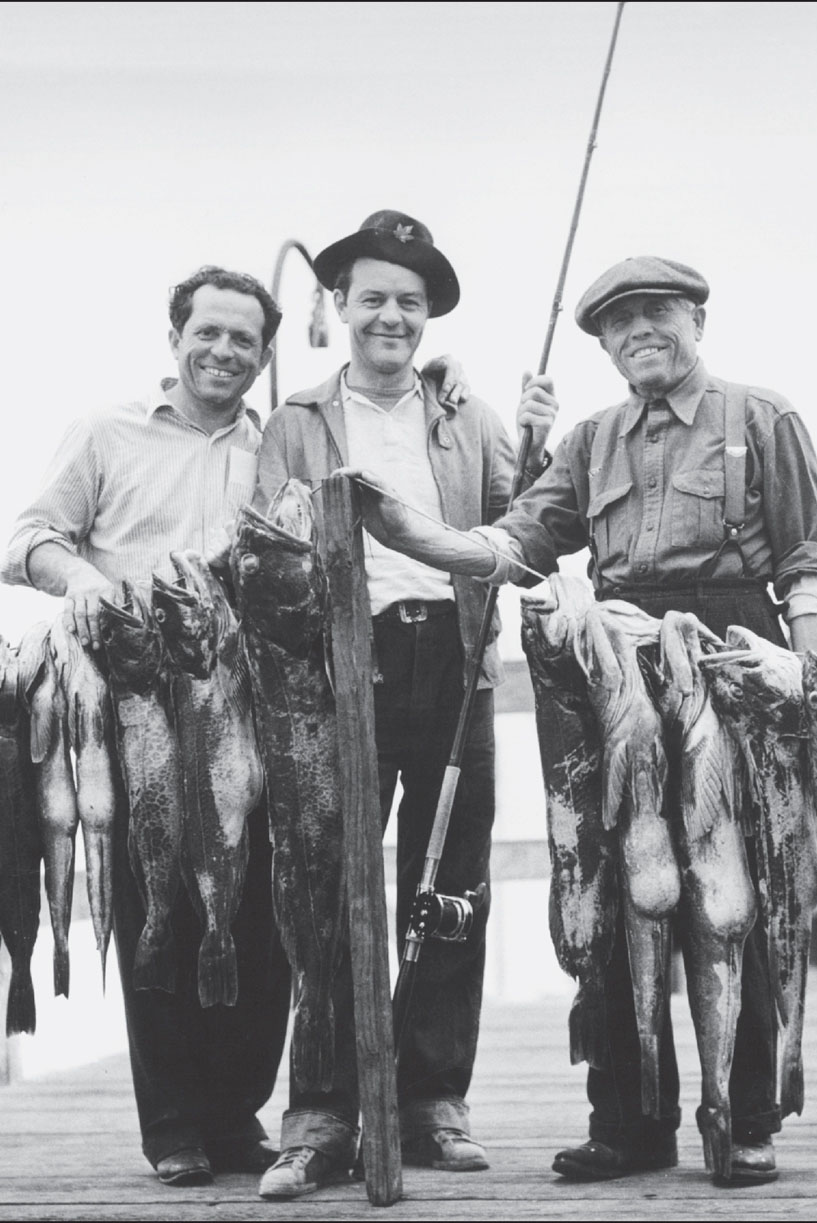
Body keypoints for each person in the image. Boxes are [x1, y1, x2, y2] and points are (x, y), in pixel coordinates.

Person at [346, 255, 817, 1187]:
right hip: (615, 665)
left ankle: (743, 1117)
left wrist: (811, 680)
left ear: (698, 317)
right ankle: (626, 1119)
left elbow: (807, 562)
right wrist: (407, 528)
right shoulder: (588, 439)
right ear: (605, 344)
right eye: (618, 324)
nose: (639, 331)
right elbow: (519, 541)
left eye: (658, 313)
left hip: (732, 659)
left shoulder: (763, 417)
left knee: (732, 893)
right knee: (611, 888)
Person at [0, 262, 467, 1186]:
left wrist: (444, 381)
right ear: (174, 336)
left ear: (262, 355)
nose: (223, 351)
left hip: (252, 712)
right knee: (155, 904)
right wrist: (84, 581)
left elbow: (373, 438)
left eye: (243, 340)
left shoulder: (275, 443)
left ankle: (235, 1110)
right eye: (207, 332)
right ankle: (172, 1121)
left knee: (258, 912)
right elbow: (28, 541)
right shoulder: (106, 432)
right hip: (136, 700)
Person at [252, 209, 557, 1200]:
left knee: (453, 883)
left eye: (410, 302)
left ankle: (431, 1098)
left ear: (428, 317)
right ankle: (321, 1114)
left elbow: (528, 525)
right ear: (338, 305)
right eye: (374, 296)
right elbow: (265, 542)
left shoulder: (464, 411)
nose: (392, 314)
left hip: (457, 655)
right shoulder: (296, 419)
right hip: (346, 664)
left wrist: (539, 435)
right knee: (334, 885)